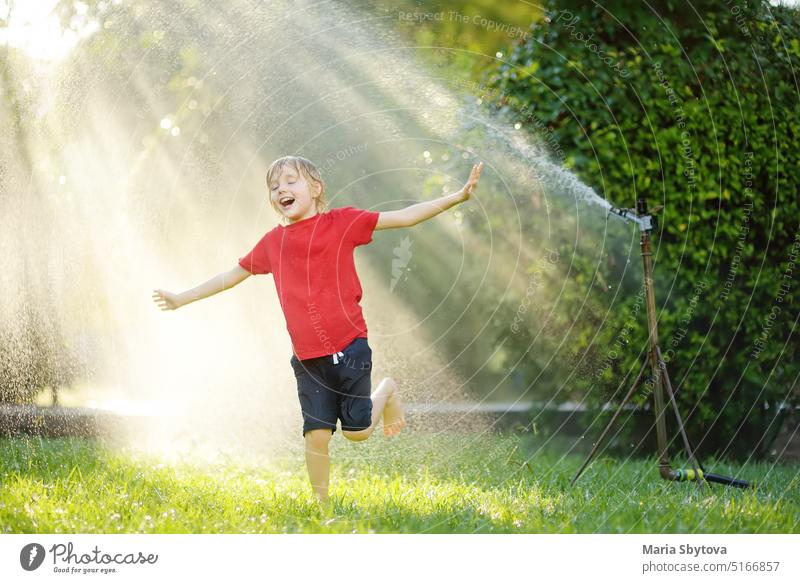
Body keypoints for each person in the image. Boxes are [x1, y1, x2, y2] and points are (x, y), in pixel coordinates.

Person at [152, 155, 484, 505]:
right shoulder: (272, 243)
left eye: (291, 181)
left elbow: (404, 217)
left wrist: (457, 197)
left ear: (315, 188)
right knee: (317, 435)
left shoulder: (343, 223)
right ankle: (322, 506)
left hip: (350, 347)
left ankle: (386, 391)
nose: (282, 189)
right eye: (274, 186)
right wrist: (180, 298)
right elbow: (229, 277)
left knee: (356, 434)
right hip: (308, 360)